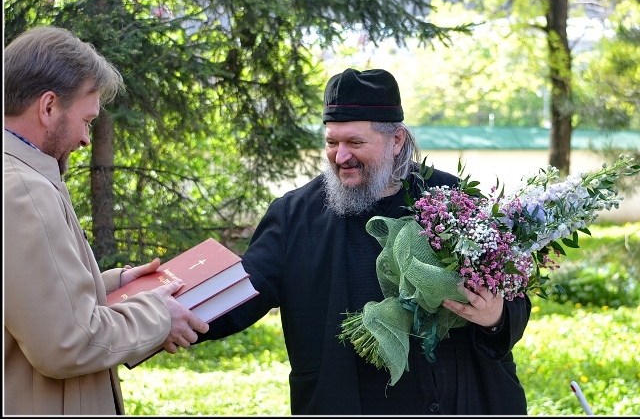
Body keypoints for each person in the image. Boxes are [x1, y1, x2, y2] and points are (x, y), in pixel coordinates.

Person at [198, 68, 531, 414]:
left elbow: (514, 300)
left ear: (397, 140)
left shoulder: (456, 200)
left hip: (463, 401)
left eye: (355, 143)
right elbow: (242, 290)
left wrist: (496, 314)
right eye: (332, 142)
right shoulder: (294, 216)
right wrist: (166, 308)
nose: (340, 156)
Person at [4, 25, 209, 415]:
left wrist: (113, 285)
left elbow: (25, 299)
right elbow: (64, 342)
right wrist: (158, 315)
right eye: (86, 120)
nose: (86, 138)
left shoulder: (21, 177)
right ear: (48, 107)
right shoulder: (22, 190)